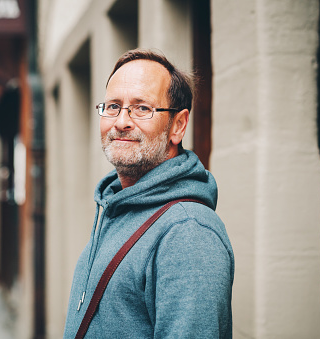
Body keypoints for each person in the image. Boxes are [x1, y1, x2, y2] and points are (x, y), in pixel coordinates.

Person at [63, 49, 234, 338]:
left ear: (177, 126)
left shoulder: (188, 232)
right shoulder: (116, 206)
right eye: (113, 106)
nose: (121, 122)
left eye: (142, 108)